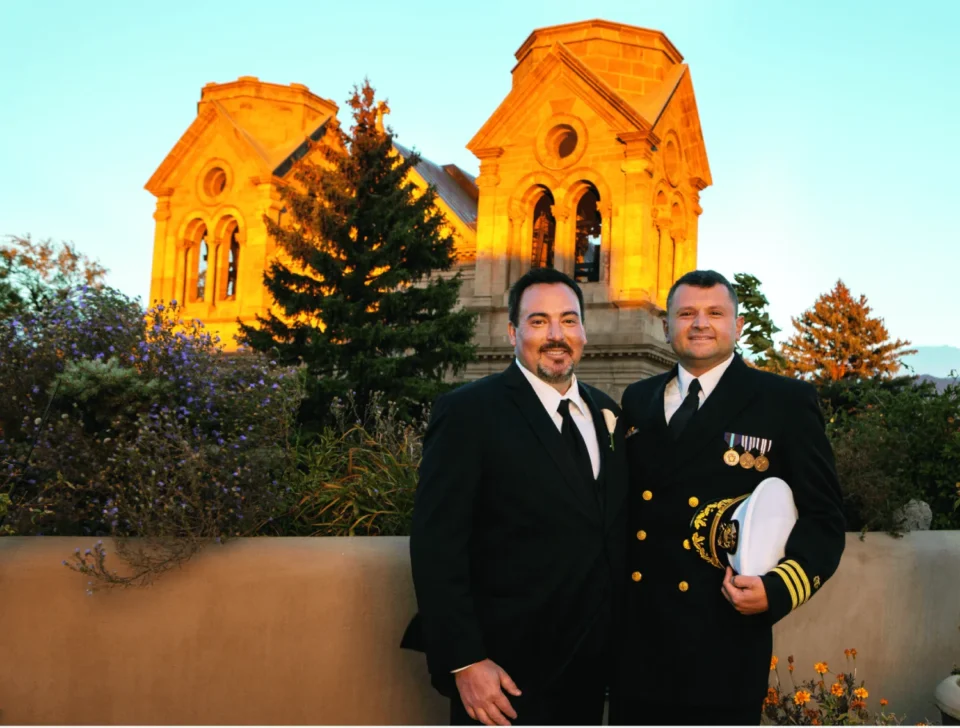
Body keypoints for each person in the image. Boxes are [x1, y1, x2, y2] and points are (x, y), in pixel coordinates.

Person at [610, 270, 846, 726]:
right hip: (637, 646)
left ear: (737, 326)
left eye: (715, 313)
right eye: (686, 314)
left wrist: (778, 589)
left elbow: (824, 518)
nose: (700, 323)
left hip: (722, 646)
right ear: (667, 327)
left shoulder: (784, 401)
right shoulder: (638, 399)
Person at [402, 268, 628, 726]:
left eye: (568, 320)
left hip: (591, 673)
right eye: (539, 321)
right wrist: (465, 661)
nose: (556, 335)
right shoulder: (469, 411)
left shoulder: (607, 411)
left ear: (583, 331)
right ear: (513, 332)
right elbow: (437, 545)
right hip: (503, 678)